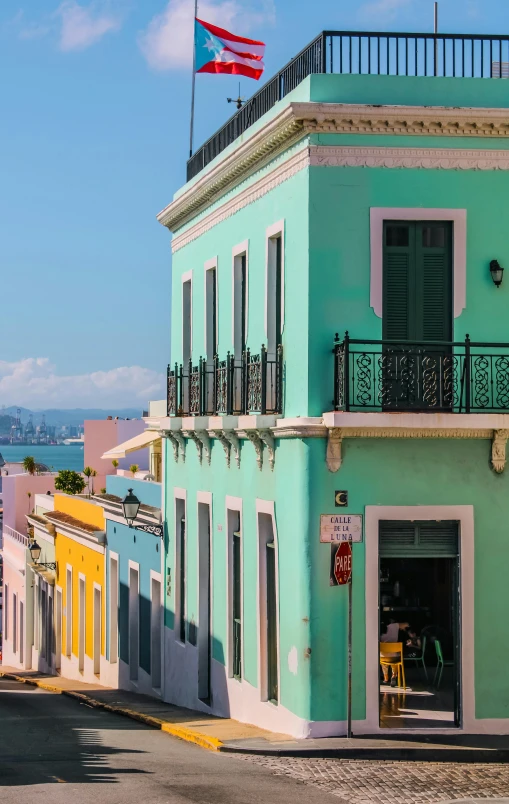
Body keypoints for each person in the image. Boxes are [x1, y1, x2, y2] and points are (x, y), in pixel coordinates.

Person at [380, 620, 409, 686]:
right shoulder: (394, 626)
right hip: (394, 658)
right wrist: (403, 627)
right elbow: (406, 624)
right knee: (395, 656)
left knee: (383, 657)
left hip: (382, 657)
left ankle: (386, 678)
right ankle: (393, 676)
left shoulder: (379, 628)